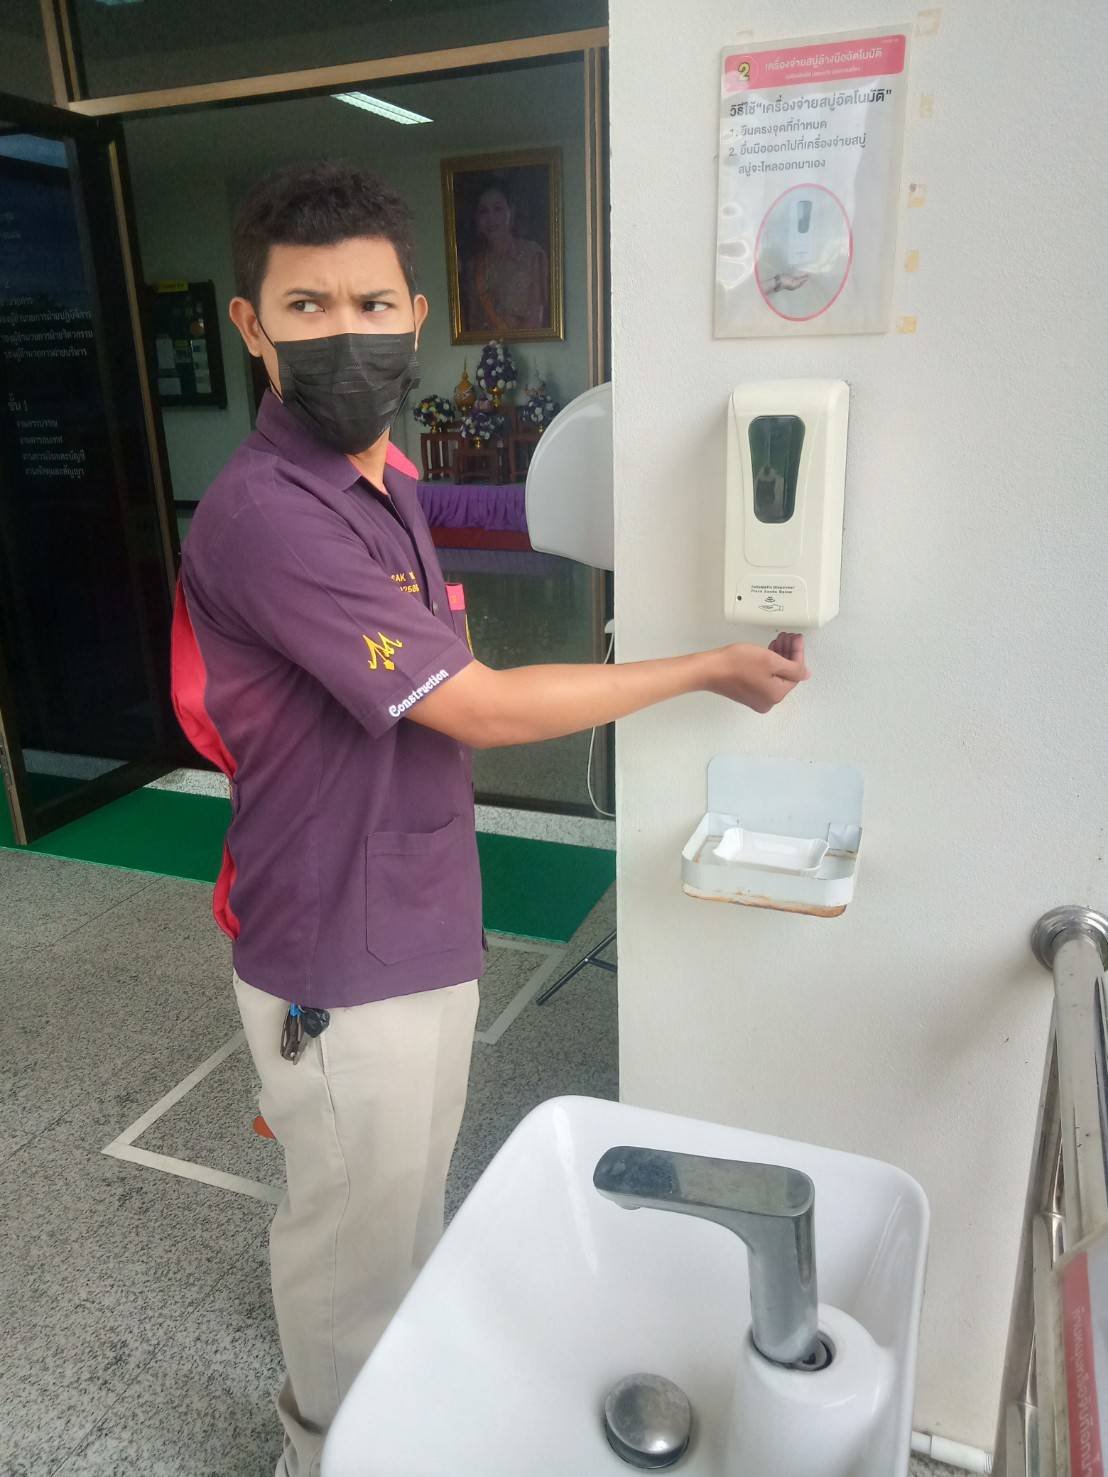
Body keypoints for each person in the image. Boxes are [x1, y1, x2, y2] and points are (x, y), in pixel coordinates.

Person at [171, 159, 809, 1477]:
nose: (345, 334)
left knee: (405, 1211)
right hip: (338, 949)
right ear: (251, 327)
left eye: (370, 303)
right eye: (305, 308)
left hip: (414, 913)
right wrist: (704, 667)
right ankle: (324, 1449)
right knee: (350, 1238)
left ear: (416, 314)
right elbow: (483, 705)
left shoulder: (390, 480)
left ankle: (395, 1416)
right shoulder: (267, 520)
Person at [462, 177, 549, 332]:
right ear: (477, 218)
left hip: (531, 343)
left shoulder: (533, 255)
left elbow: (536, 318)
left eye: (498, 209)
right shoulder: (473, 266)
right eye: (483, 211)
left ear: (511, 212)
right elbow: (473, 324)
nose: (491, 219)